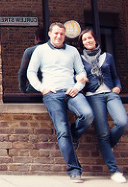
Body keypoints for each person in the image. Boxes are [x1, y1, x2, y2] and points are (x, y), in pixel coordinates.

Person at [27, 22, 93, 183]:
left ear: (65, 35)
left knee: (88, 115)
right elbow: (31, 72)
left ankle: (74, 134)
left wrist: (77, 87)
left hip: (71, 91)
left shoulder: (72, 51)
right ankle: (74, 170)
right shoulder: (40, 50)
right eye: (56, 33)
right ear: (50, 34)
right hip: (52, 94)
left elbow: (81, 71)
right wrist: (42, 88)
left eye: (61, 34)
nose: (58, 36)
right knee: (62, 131)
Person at [79, 28, 128, 184]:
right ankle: (114, 171)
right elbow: (78, 78)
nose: (88, 41)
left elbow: (115, 76)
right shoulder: (80, 60)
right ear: (82, 43)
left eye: (89, 38)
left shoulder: (108, 57)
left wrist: (118, 87)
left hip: (110, 94)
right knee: (102, 134)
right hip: (93, 97)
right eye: (84, 40)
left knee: (122, 123)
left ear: (96, 40)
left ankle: (107, 145)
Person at [18, 27, 48, 93]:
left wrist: (23, 89)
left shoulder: (30, 51)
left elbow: (23, 72)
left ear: (36, 37)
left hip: (34, 90)